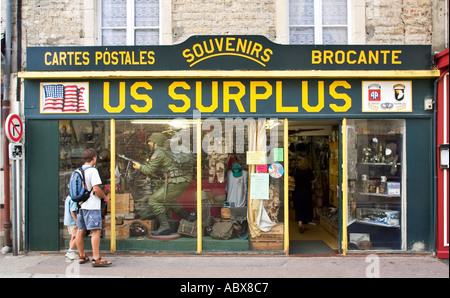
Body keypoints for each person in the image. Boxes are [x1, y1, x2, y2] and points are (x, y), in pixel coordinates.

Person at [133, 133, 192, 236]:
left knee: (154, 200)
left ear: (156, 143)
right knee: (169, 201)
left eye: (150, 141)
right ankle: (189, 220)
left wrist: (139, 167)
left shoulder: (158, 153)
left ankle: (165, 226)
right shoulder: (166, 151)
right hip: (181, 180)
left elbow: (149, 169)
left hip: (176, 181)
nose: (148, 143)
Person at [75, 148, 112, 267]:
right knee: (96, 231)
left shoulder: (78, 171)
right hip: (91, 206)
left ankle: (81, 255)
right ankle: (96, 258)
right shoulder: (92, 171)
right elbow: (96, 189)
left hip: (81, 205)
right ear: (94, 158)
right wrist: (105, 198)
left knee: (80, 230)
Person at [290, 157, 315, 233]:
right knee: (305, 207)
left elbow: (290, 177)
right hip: (306, 192)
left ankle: (300, 223)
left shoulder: (296, 169)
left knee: (298, 207)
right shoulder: (308, 171)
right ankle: (304, 223)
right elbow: (312, 180)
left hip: (296, 191)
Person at [63, 194, 78, 260]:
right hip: (72, 221)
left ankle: (71, 252)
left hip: (68, 220)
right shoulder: (73, 199)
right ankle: (70, 251)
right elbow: (72, 211)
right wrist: (76, 220)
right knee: (77, 236)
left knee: (73, 236)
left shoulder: (68, 197)